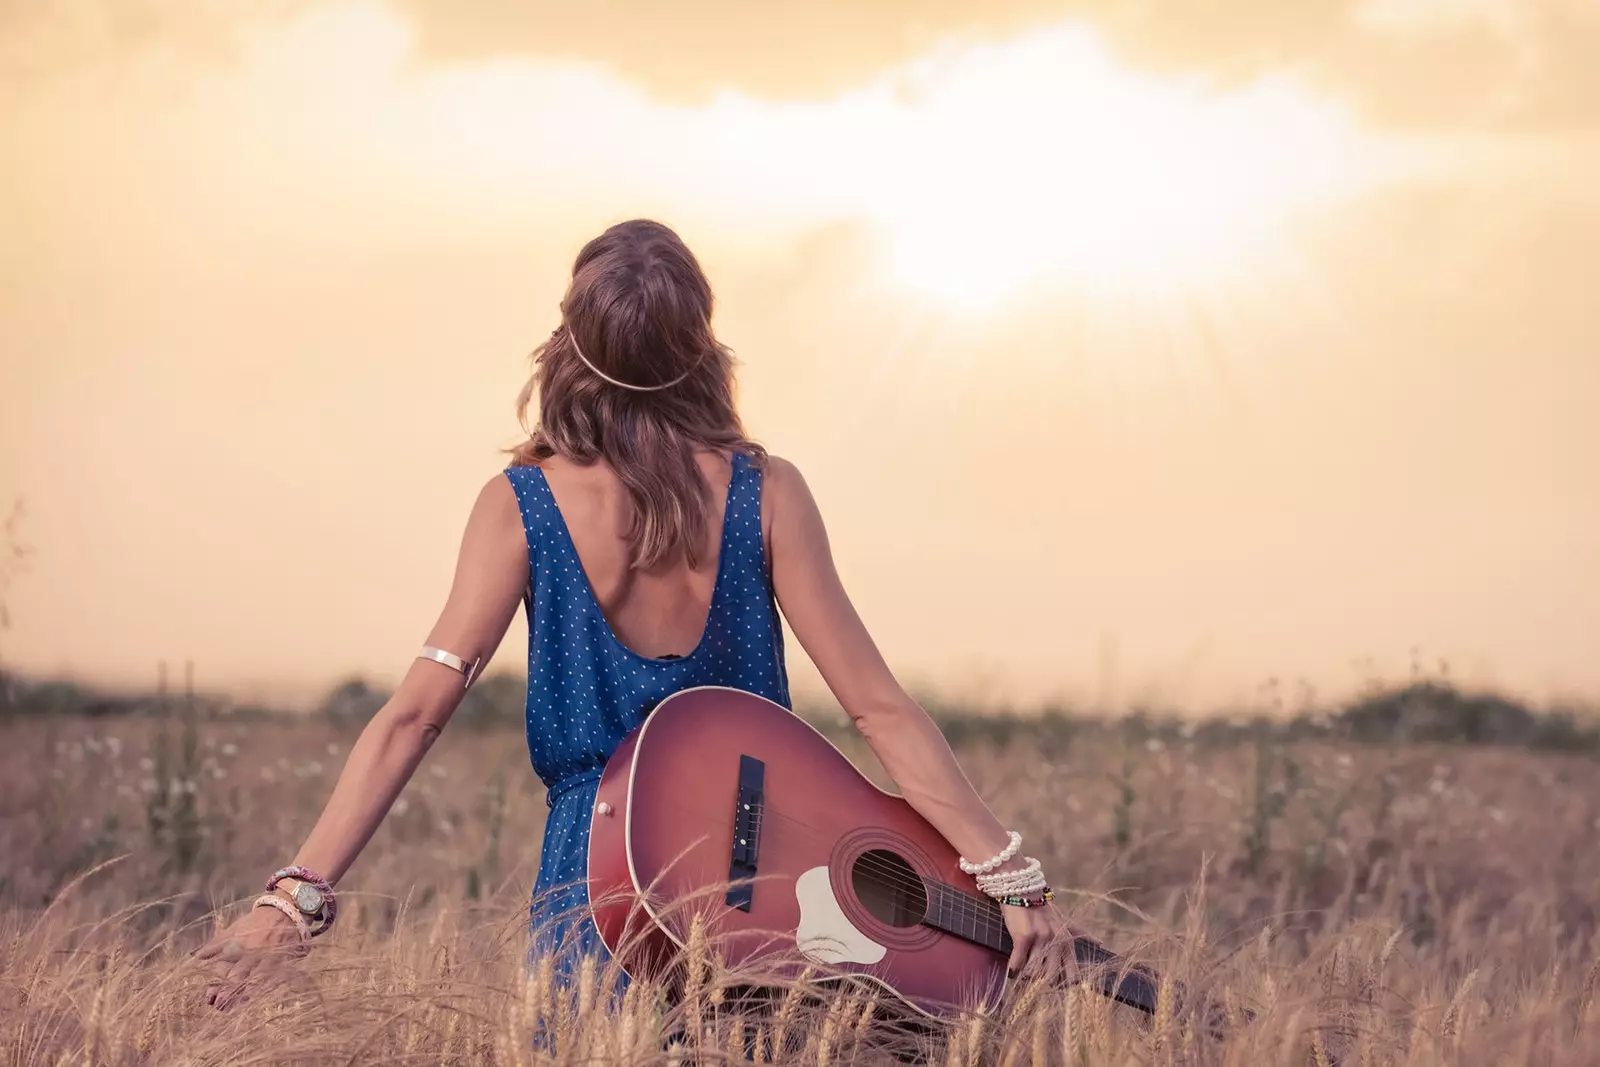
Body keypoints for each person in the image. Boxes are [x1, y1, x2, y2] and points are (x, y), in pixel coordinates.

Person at [195, 219, 1071, 1022]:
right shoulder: (766, 494)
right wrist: (1007, 875)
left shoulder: (521, 506)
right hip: (769, 893)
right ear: (703, 345)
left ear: (568, 344)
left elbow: (415, 715)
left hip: (598, 882)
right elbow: (878, 709)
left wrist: (294, 898)